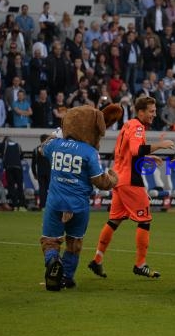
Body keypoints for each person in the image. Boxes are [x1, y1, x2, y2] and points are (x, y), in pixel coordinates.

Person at [88, 96, 175, 279]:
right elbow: (136, 150)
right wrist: (160, 145)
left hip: (118, 178)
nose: (154, 114)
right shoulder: (137, 126)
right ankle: (140, 264)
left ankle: (97, 260)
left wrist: (149, 158)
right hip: (130, 180)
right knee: (145, 220)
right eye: (151, 111)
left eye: (154, 111)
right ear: (141, 112)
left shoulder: (128, 124)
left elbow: (127, 152)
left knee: (114, 221)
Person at [39, 123, 118, 291]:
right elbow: (101, 181)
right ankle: (67, 277)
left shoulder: (55, 145)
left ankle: (53, 261)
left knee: (50, 241)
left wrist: (55, 134)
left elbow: (41, 148)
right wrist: (113, 178)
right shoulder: (90, 152)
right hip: (79, 205)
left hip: (55, 202)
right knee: (74, 242)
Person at [0, 136, 25, 210]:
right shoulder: (18, 145)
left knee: (11, 187)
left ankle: (15, 206)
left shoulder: (4, 144)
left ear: (4, 140)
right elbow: (21, 156)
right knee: (20, 187)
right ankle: (21, 205)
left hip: (9, 168)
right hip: (18, 168)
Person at [32, 134, 51, 210]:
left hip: (40, 172)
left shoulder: (36, 149)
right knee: (50, 189)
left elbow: (33, 164)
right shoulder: (49, 148)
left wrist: (34, 173)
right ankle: (49, 206)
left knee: (42, 189)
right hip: (49, 172)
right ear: (46, 139)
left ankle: (42, 206)